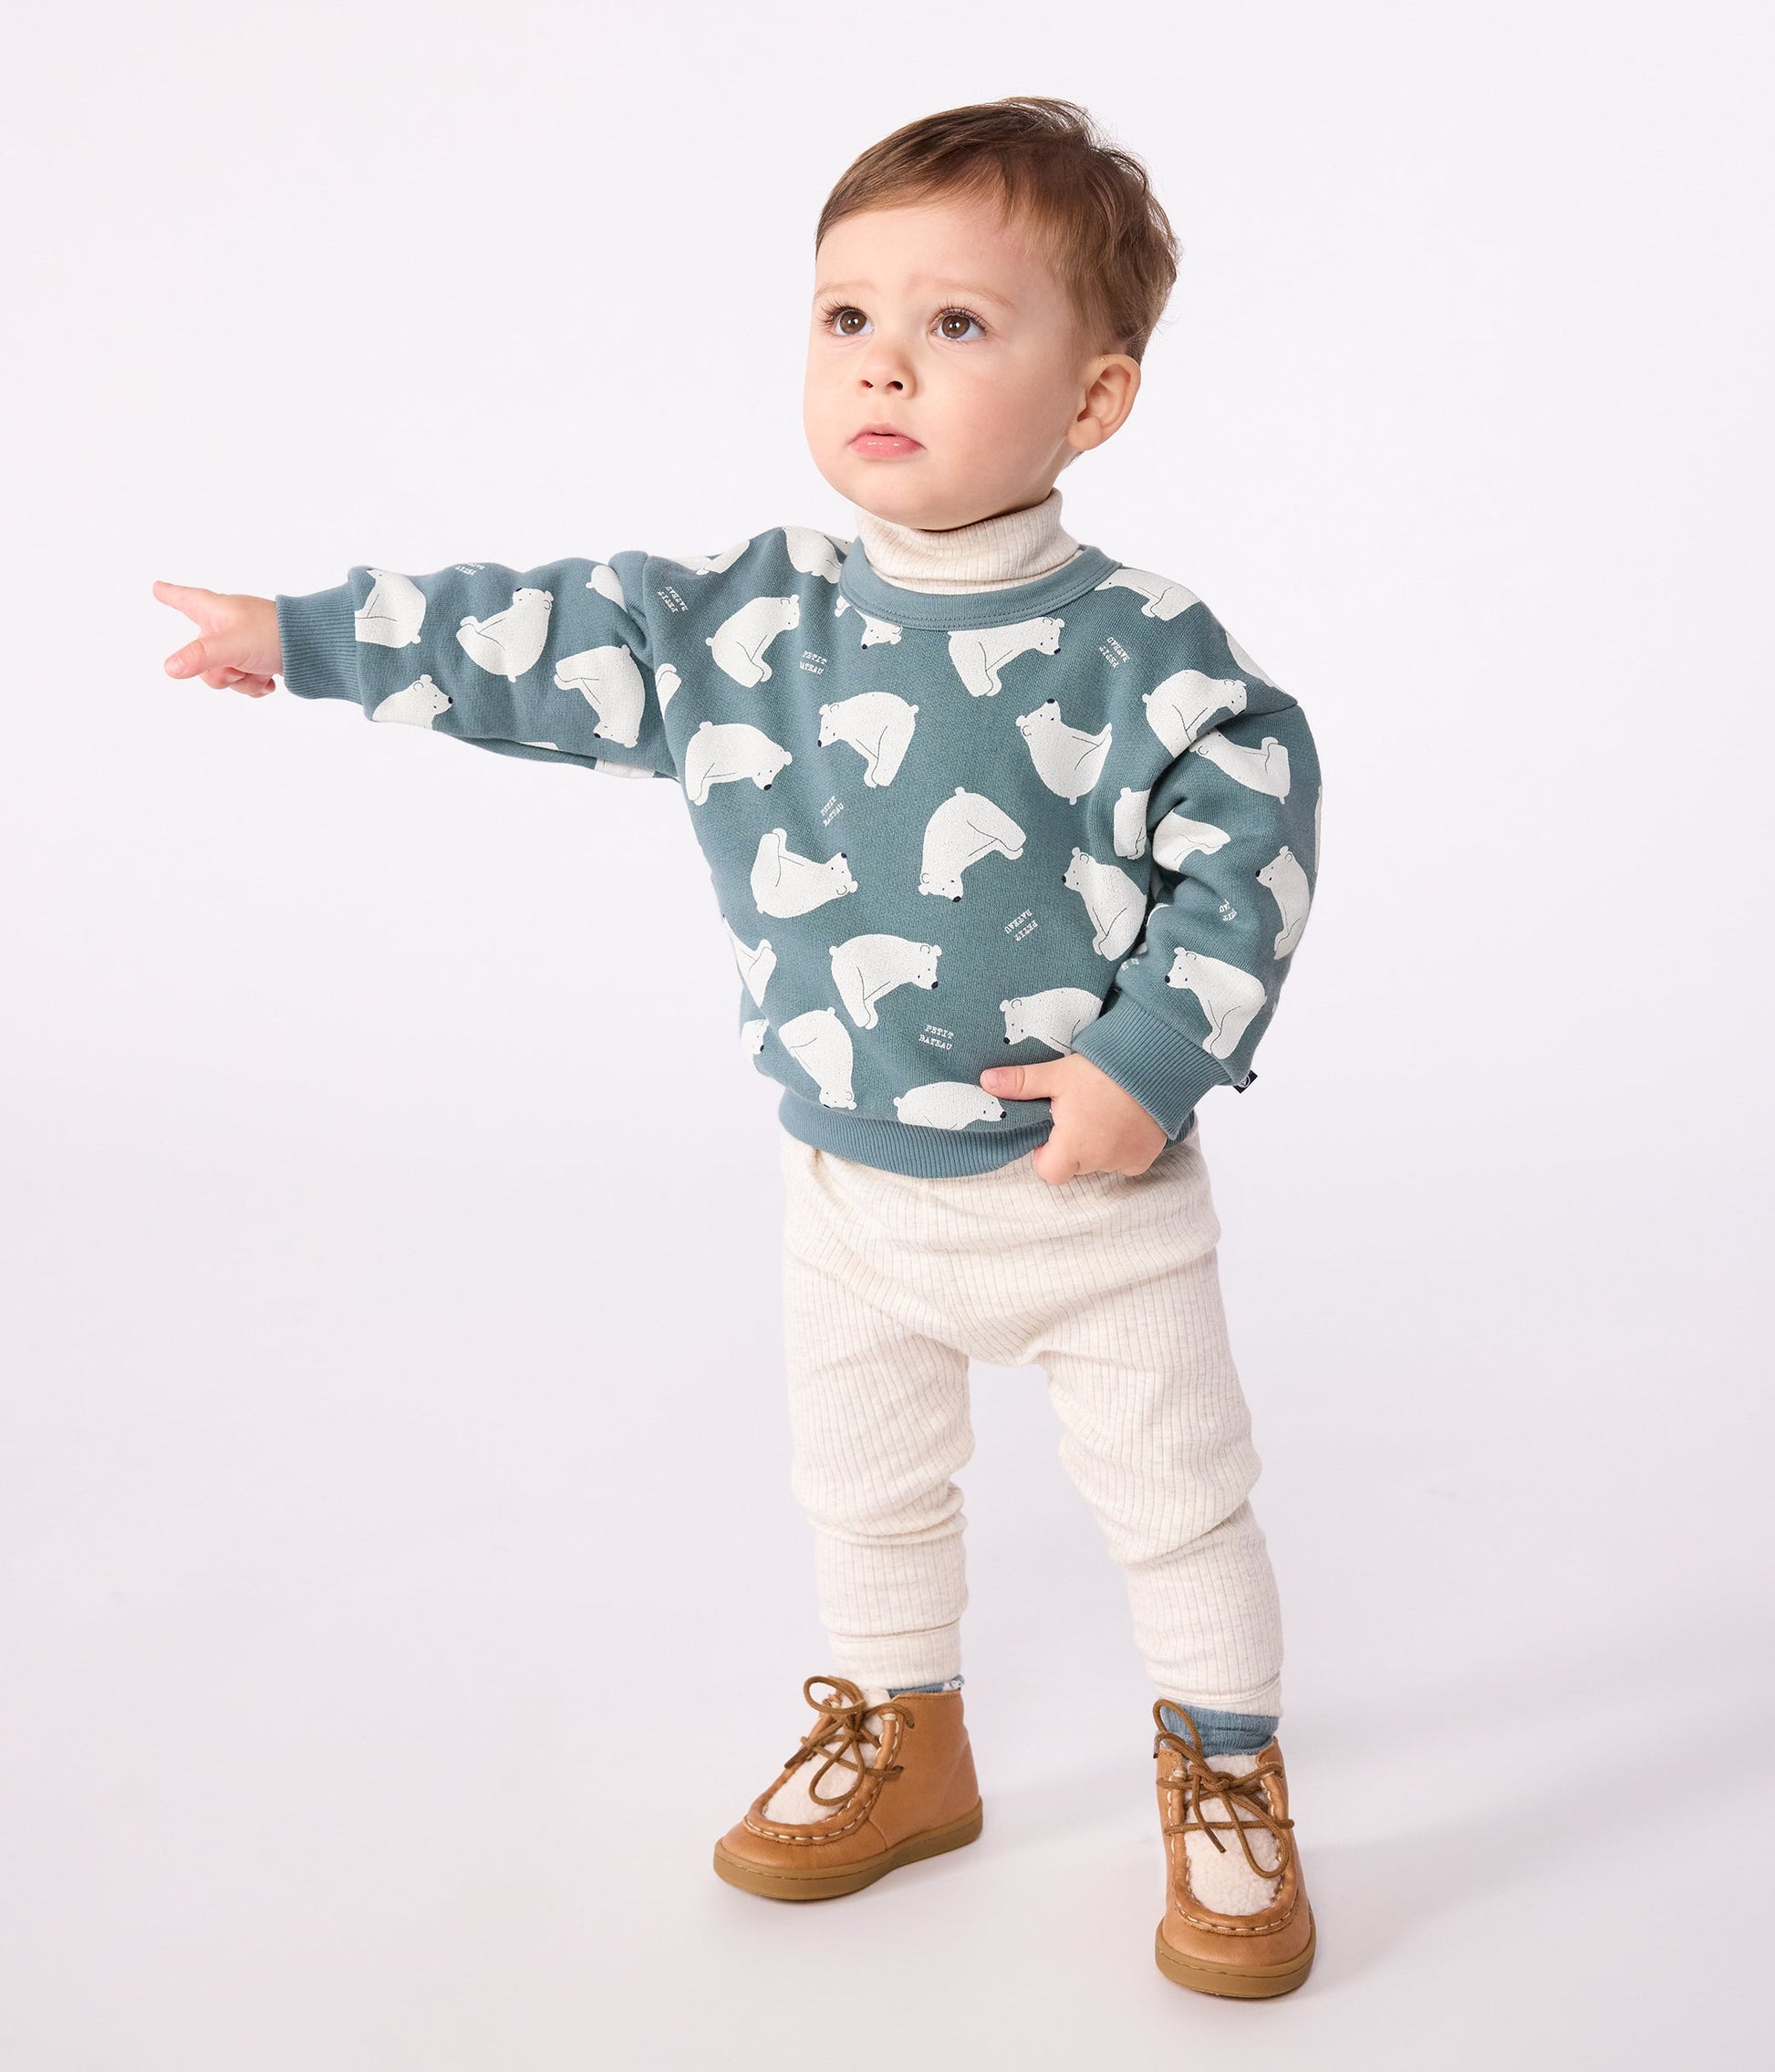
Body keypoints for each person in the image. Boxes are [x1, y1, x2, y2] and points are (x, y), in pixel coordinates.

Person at [153, 96, 1323, 1999]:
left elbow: (1247, 853)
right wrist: (313, 636)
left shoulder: (1147, 653)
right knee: (864, 1492)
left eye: (956, 324)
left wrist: (1149, 1063)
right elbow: (539, 635)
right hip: (849, 1192)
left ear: (1093, 399)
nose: (882, 362)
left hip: (1091, 1206)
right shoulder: (744, 625)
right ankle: (904, 1731)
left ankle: (1224, 1764)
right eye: (845, 315)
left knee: (1178, 1504)